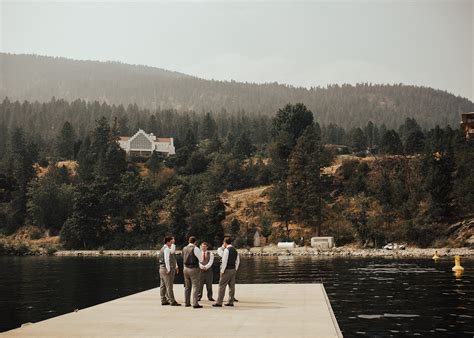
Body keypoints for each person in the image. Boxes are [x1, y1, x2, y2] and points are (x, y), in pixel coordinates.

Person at [213, 237, 240, 307]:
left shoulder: (226, 250)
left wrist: (222, 271)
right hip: (233, 270)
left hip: (226, 270)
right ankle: (231, 302)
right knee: (232, 286)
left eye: (223, 243)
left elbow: (224, 262)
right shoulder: (235, 250)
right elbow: (237, 261)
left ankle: (219, 302)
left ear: (225, 243)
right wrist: (235, 269)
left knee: (221, 286)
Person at [158, 236, 180, 306]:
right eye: (171, 242)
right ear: (167, 242)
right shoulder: (167, 249)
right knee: (169, 286)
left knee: (163, 285)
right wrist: (168, 269)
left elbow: (171, 253)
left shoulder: (162, 248)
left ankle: (163, 300)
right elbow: (167, 260)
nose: (172, 243)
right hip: (166, 268)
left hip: (161, 268)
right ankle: (172, 301)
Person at [182, 236, 204, 308]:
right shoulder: (196, 248)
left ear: (189, 241)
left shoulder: (184, 248)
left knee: (187, 286)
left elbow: (183, 257)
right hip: (193, 268)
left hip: (185, 268)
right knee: (195, 286)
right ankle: (195, 303)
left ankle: (187, 303)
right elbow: (201, 260)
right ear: (195, 242)